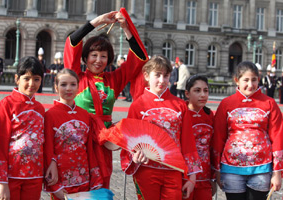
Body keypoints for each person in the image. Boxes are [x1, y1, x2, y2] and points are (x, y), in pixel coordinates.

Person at [63, 9, 148, 188]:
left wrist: (126, 28)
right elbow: (72, 42)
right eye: (94, 55)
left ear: (109, 59)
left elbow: (138, 57)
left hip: (105, 142)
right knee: (79, 184)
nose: (98, 60)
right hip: (80, 138)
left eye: (103, 56)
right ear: (85, 58)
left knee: (102, 182)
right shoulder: (77, 77)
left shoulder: (114, 80)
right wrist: (97, 22)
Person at [120, 55, 202, 200]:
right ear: (146, 76)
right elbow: (129, 140)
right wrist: (134, 155)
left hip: (174, 170)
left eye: (166, 75)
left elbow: (188, 140)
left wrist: (192, 177)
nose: (162, 80)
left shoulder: (180, 105)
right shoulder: (138, 105)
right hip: (146, 169)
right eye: (157, 75)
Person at [212, 61, 283, 200]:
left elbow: (278, 136)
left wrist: (277, 173)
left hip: (261, 168)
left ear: (258, 80)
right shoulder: (226, 104)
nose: (250, 84)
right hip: (231, 168)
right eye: (246, 80)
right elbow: (218, 137)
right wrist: (216, 170)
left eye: (254, 80)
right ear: (237, 80)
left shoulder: (269, 103)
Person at [0, 56, 45, 200]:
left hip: (35, 175)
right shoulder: (5, 106)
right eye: (26, 78)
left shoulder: (40, 108)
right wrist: (1, 182)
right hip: (10, 177)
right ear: (17, 79)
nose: (31, 84)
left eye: (36, 79)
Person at [44, 69, 103, 200]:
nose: (68, 89)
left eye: (73, 84)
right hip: (61, 179)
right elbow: (48, 149)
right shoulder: (49, 115)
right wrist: (55, 187)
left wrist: (94, 177)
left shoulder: (84, 115)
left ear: (78, 87)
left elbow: (89, 150)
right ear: (56, 87)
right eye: (63, 85)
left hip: (84, 178)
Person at [184, 75, 215, 200]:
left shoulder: (210, 116)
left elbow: (213, 146)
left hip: (205, 176)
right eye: (197, 91)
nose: (202, 95)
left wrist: (213, 176)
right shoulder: (181, 113)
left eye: (205, 91)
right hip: (184, 176)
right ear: (187, 93)